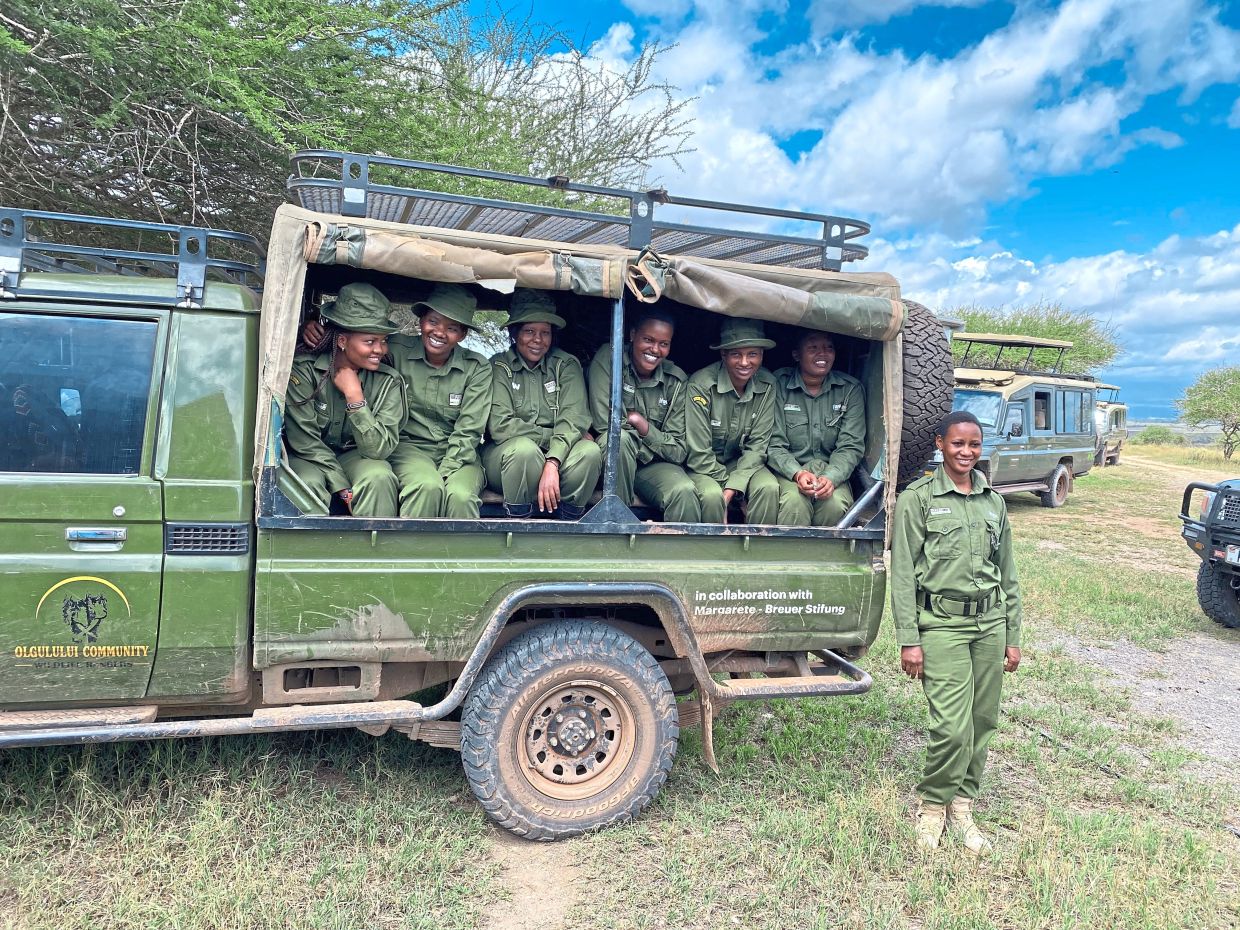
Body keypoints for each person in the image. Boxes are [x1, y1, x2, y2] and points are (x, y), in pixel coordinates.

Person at [890, 410, 1023, 855]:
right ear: (939, 444)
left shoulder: (993, 501)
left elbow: (1008, 574)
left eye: (974, 445)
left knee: (983, 720)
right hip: (942, 625)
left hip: (989, 623)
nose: (966, 452)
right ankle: (932, 806)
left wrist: (1012, 635)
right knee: (951, 724)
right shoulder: (919, 497)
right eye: (958, 444)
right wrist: (909, 639)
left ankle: (963, 805)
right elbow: (904, 571)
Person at [285, 282, 407, 517]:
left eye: (383, 341)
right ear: (342, 341)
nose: (380, 349)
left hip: (356, 454)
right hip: (310, 456)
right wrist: (341, 485)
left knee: (379, 477)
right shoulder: (304, 371)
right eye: (370, 341)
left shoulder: (388, 380)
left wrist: (355, 397)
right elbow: (304, 441)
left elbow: (378, 450)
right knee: (306, 483)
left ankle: (373, 551)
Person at [484, 289, 602, 519]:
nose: (538, 340)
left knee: (590, 451)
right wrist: (554, 439)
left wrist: (553, 461)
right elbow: (501, 427)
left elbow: (573, 418)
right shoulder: (498, 366)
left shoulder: (566, 365)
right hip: (508, 459)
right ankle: (518, 523)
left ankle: (568, 525)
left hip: (560, 457)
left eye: (545, 333)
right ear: (515, 333)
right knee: (524, 451)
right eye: (529, 331)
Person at [384, 284, 492, 518]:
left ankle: (457, 555)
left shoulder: (477, 368)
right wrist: (319, 330)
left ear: (462, 335)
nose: (440, 332)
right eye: (433, 322)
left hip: (459, 454)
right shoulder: (394, 350)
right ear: (421, 321)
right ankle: (411, 554)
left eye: (452, 327)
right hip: (408, 448)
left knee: (461, 497)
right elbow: (356, 344)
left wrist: (447, 470)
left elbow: (470, 429)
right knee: (427, 486)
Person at [586, 310, 700, 522]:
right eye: (648, 339)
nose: (655, 349)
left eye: (664, 344)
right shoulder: (610, 358)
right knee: (620, 441)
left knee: (683, 491)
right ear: (632, 335)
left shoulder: (676, 381)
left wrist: (642, 425)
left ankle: (680, 553)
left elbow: (678, 450)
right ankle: (616, 535)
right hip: (614, 462)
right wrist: (654, 440)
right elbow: (605, 425)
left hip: (653, 466)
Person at [684, 318, 779, 524]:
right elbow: (698, 453)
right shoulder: (701, 385)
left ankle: (757, 551)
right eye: (736, 354)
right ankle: (711, 553)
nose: (745, 362)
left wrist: (735, 485)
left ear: (762, 355)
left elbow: (758, 446)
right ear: (723, 354)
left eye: (752, 354)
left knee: (768, 488)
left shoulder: (768, 384)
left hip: (743, 464)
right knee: (712, 497)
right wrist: (733, 487)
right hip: (704, 466)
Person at [768, 330, 866, 527]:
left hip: (832, 471)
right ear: (797, 354)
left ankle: (825, 557)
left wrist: (831, 478)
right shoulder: (778, 385)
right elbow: (773, 443)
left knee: (835, 505)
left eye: (829, 348)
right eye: (813, 348)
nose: (823, 354)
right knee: (794, 504)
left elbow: (851, 445)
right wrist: (798, 473)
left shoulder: (849, 389)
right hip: (788, 471)